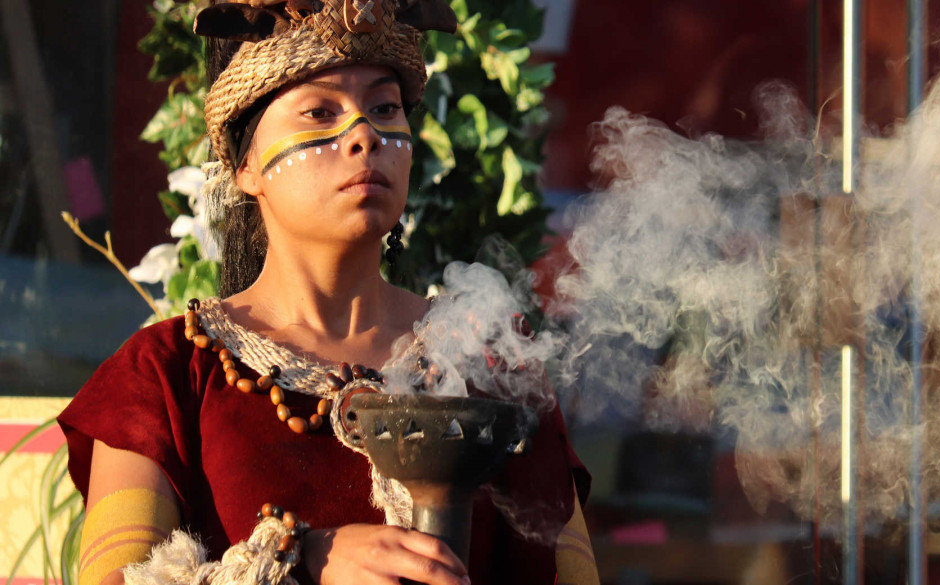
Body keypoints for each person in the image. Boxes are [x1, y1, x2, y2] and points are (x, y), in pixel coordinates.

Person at [58, 1, 597, 584]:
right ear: (246, 167)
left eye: (385, 108)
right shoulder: (162, 378)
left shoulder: (492, 363)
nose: (364, 134)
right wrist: (296, 562)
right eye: (318, 112)